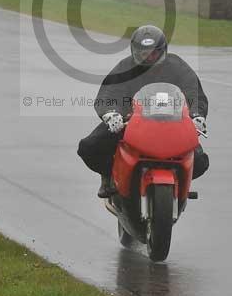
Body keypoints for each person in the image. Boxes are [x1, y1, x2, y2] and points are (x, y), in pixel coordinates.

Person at [77, 25, 209, 198]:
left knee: (200, 160)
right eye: (143, 53)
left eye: (153, 53)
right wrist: (111, 114)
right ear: (134, 51)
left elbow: (194, 93)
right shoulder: (125, 67)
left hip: (173, 124)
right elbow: (109, 94)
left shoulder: (178, 67)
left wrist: (196, 116)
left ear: (163, 50)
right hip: (130, 123)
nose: (148, 57)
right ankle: (109, 176)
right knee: (90, 147)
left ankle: (179, 181)